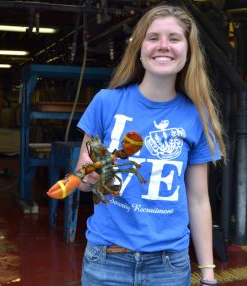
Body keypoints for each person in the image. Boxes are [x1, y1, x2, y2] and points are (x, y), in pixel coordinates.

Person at [74, 4, 226, 286]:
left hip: (168, 266)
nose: (163, 46)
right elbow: (82, 181)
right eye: (153, 37)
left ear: (188, 50)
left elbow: (198, 199)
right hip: (106, 260)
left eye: (174, 38)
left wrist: (207, 272)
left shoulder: (197, 115)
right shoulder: (106, 103)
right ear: (139, 47)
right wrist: (85, 176)